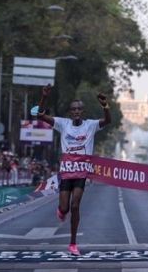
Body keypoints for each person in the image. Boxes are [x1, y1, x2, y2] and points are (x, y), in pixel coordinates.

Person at [34, 84, 111, 256]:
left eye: (79, 109)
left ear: (83, 112)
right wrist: (44, 97)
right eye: (73, 109)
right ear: (70, 112)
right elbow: (40, 115)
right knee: (65, 208)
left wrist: (105, 106)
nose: (76, 112)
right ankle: (61, 211)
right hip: (66, 172)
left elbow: (108, 121)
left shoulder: (90, 125)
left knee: (75, 205)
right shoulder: (63, 124)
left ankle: (73, 243)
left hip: (81, 172)